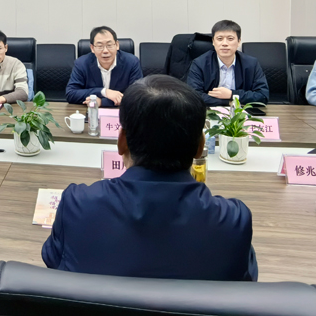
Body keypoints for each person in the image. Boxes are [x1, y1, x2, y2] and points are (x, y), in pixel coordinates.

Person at [43, 75, 258, 281]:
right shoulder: (233, 221)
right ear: (200, 147)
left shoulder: (78, 205)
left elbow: (55, 267)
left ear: (121, 141)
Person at [187, 20, 269, 106]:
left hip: (242, 111)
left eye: (230, 39)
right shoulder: (199, 63)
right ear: (213, 42)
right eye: (220, 39)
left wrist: (231, 94)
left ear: (239, 41)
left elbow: (263, 96)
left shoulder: (251, 64)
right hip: (210, 111)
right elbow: (193, 96)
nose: (225, 43)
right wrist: (229, 102)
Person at [65, 26, 143, 107]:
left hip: (122, 111)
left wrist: (102, 102)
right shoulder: (81, 63)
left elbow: (138, 96)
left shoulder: (132, 62)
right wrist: (103, 92)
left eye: (109, 45)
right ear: (92, 48)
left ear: (117, 45)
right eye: (100, 46)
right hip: (91, 111)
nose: (105, 51)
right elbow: (71, 94)